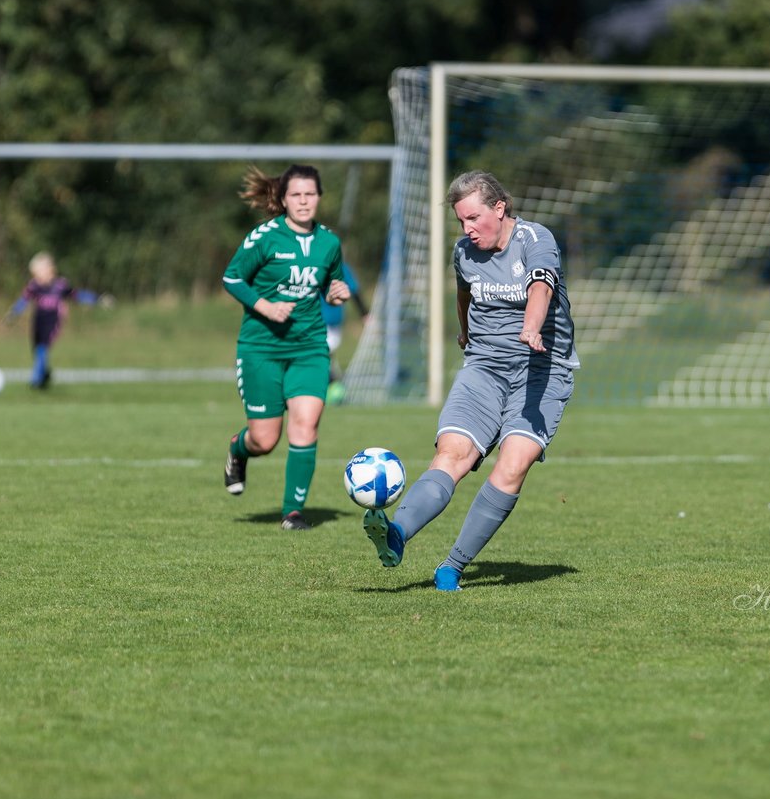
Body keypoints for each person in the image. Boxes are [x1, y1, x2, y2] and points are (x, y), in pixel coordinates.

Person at [360, 170, 579, 590]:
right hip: (483, 368)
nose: (468, 228)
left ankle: (452, 565)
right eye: (461, 221)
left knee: (513, 465)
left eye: (474, 218)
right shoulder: (464, 253)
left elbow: (541, 289)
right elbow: (465, 293)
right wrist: (464, 330)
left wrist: (532, 327)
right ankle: (395, 533)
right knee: (452, 455)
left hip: (542, 373)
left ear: (500, 208)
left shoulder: (536, 240)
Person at [221, 164, 353, 531]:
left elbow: (333, 284)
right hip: (261, 348)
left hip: (309, 346)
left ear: (319, 198)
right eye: (296, 194)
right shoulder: (264, 237)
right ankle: (238, 448)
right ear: (283, 199)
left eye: (310, 194)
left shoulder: (329, 242)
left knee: (306, 425)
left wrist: (337, 293)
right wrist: (265, 307)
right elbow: (232, 277)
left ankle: (292, 512)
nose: (303, 201)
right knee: (265, 439)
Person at [3, 252, 111, 389]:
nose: (36, 276)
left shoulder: (60, 285)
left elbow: (77, 295)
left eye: (38, 272)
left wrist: (98, 299)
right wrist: (13, 313)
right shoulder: (33, 286)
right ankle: (45, 374)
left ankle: (36, 380)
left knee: (42, 348)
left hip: (53, 320)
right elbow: (23, 300)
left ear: (49, 270)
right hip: (39, 320)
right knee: (37, 349)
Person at [320, 260, 369, 405]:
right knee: (323, 356)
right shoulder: (309, 263)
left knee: (323, 356)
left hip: (330, 322)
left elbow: (354, 290)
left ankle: (334, 387)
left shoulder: (340, 267)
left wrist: (364, 313)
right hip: (316, 321)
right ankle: (333, 387)